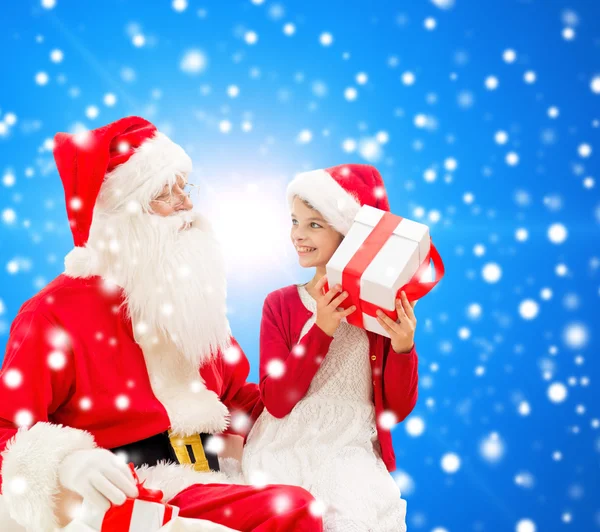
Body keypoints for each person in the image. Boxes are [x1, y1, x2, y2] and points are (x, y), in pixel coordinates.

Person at [0, 116, 322, 532]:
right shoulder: (52, 314)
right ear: (119, 216)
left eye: (183, 188)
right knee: (293, 509)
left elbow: (239, 398)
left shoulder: (188, 296)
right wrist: (69, 462)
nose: (186, 204)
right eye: (163, 194)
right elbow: (6, 430)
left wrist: (316, 411)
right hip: (139, 492)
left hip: (212, 475)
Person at [241, 164, 419, 531]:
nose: (298, 235)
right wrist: (322, 328)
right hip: (286, 445)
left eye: (315, 224)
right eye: (294, 221)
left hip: (352, 449)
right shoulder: (281, 304)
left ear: (349, 235)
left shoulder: (381, 311)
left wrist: (403, 349)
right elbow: (276, 400)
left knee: (357, 517)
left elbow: (396, 409)